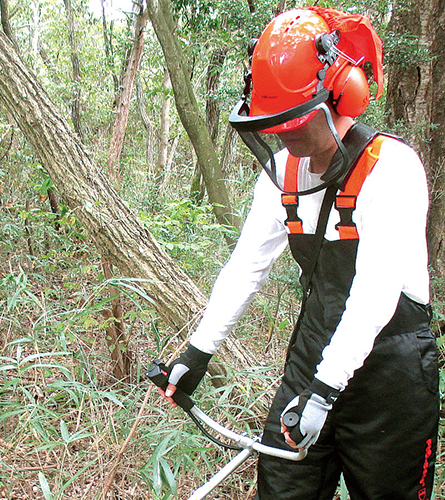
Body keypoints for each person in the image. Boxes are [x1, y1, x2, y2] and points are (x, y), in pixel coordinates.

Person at [161, 7, 439, 500]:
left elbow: (375, 294)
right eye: (274, 124)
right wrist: (198, 351)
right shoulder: (284, 173)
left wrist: (326, 390)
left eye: (293, 121)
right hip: (315, 353)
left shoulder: (391, 169)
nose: (284, 135)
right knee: (282, 488)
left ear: (343, 94)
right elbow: (246, 266)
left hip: (390, 372)